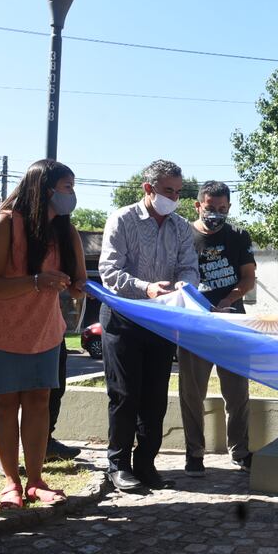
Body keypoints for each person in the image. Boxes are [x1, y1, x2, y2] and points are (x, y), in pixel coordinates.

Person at [0, 159, 86, 509]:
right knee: (4, 405)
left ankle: (35, 481)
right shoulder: (3, 224)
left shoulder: (67, 231)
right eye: (67, 188)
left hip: (42, 330)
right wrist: (35, 281)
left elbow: (78, 285)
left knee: (38, 402)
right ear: (44, 189)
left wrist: (78, 287)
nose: (72, 196)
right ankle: (11, 483)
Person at [99, 159, 198, 492]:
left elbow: (189, 268)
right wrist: (146, 287)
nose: (174, 197)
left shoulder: (182, 227)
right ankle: (118, 465)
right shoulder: (122, 219)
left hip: (161, 320)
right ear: (148, 189)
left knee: (155, 399)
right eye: (168, 191)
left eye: (178, 192)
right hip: (123, 318)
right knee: (125, 395)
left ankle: (146, 464)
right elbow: (110, 273)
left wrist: (184, 285)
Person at [177, 181, 256, 476]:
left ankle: (240, 451)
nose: (216, 214)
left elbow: (248, 278)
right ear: (198, 206)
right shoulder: (183, 235)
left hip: (231, 324)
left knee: (237, 394)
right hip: (194, 326)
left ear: (229, 208)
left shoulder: (238, 236)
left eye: (222, 209)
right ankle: (194, 453)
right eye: (211, 208)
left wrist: (228, 299)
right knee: (191, 393)